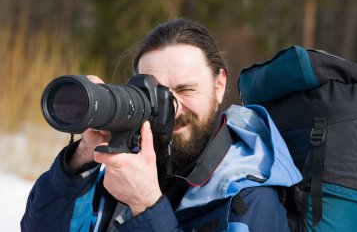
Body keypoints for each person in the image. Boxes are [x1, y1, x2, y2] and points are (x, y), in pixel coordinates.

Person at [21, 18, 302, 231]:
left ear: (219, 85)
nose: (173, 108)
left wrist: (146, 206)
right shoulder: (123, 174)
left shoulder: (250, 200)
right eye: (157, 94)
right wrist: (80, 162)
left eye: (186, 90)